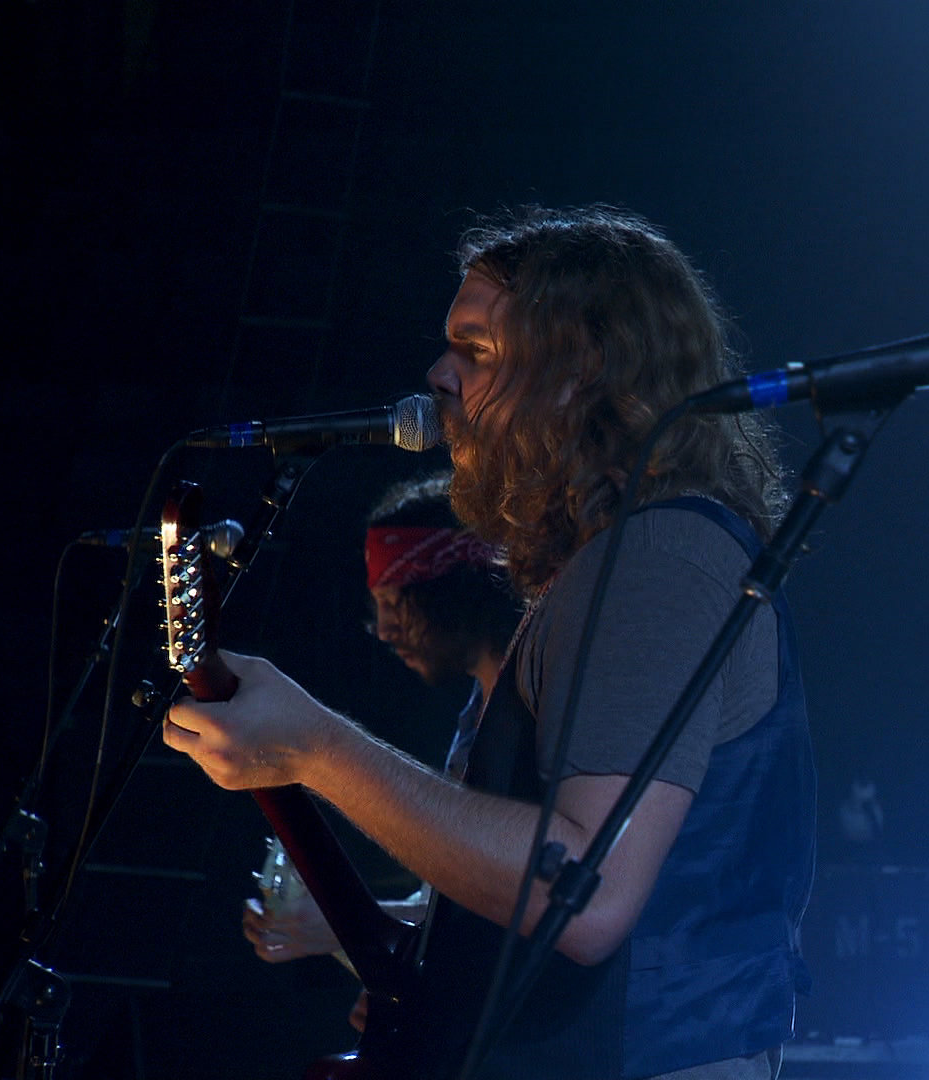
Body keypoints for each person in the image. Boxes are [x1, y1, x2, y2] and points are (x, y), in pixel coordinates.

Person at [167, 204, 815, 1080]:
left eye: (476, 350)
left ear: (580, 371)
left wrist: (315, 747)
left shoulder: (660, 557)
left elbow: (581, 898)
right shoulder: (613, 561)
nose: (437, 374)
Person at [239, 471, 519, 977]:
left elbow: (512, 898)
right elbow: (451, 898)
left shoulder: (531, 706)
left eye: (395, 602)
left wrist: (350, 922)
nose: (385, 630)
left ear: (450, 586)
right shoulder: (475, 713)